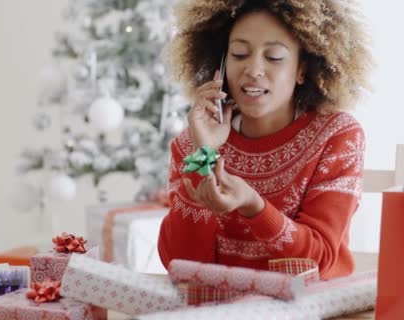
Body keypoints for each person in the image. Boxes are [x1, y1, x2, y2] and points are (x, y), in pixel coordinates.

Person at [158, 0, 372, 280]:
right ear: (220, 64)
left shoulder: (337, 136)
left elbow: (319, 261)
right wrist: (204, 154)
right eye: (239, 54)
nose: (254, 69)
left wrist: (254, 207)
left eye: (273, 57)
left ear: (302, 69)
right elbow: (180, 262)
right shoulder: (193, 144)